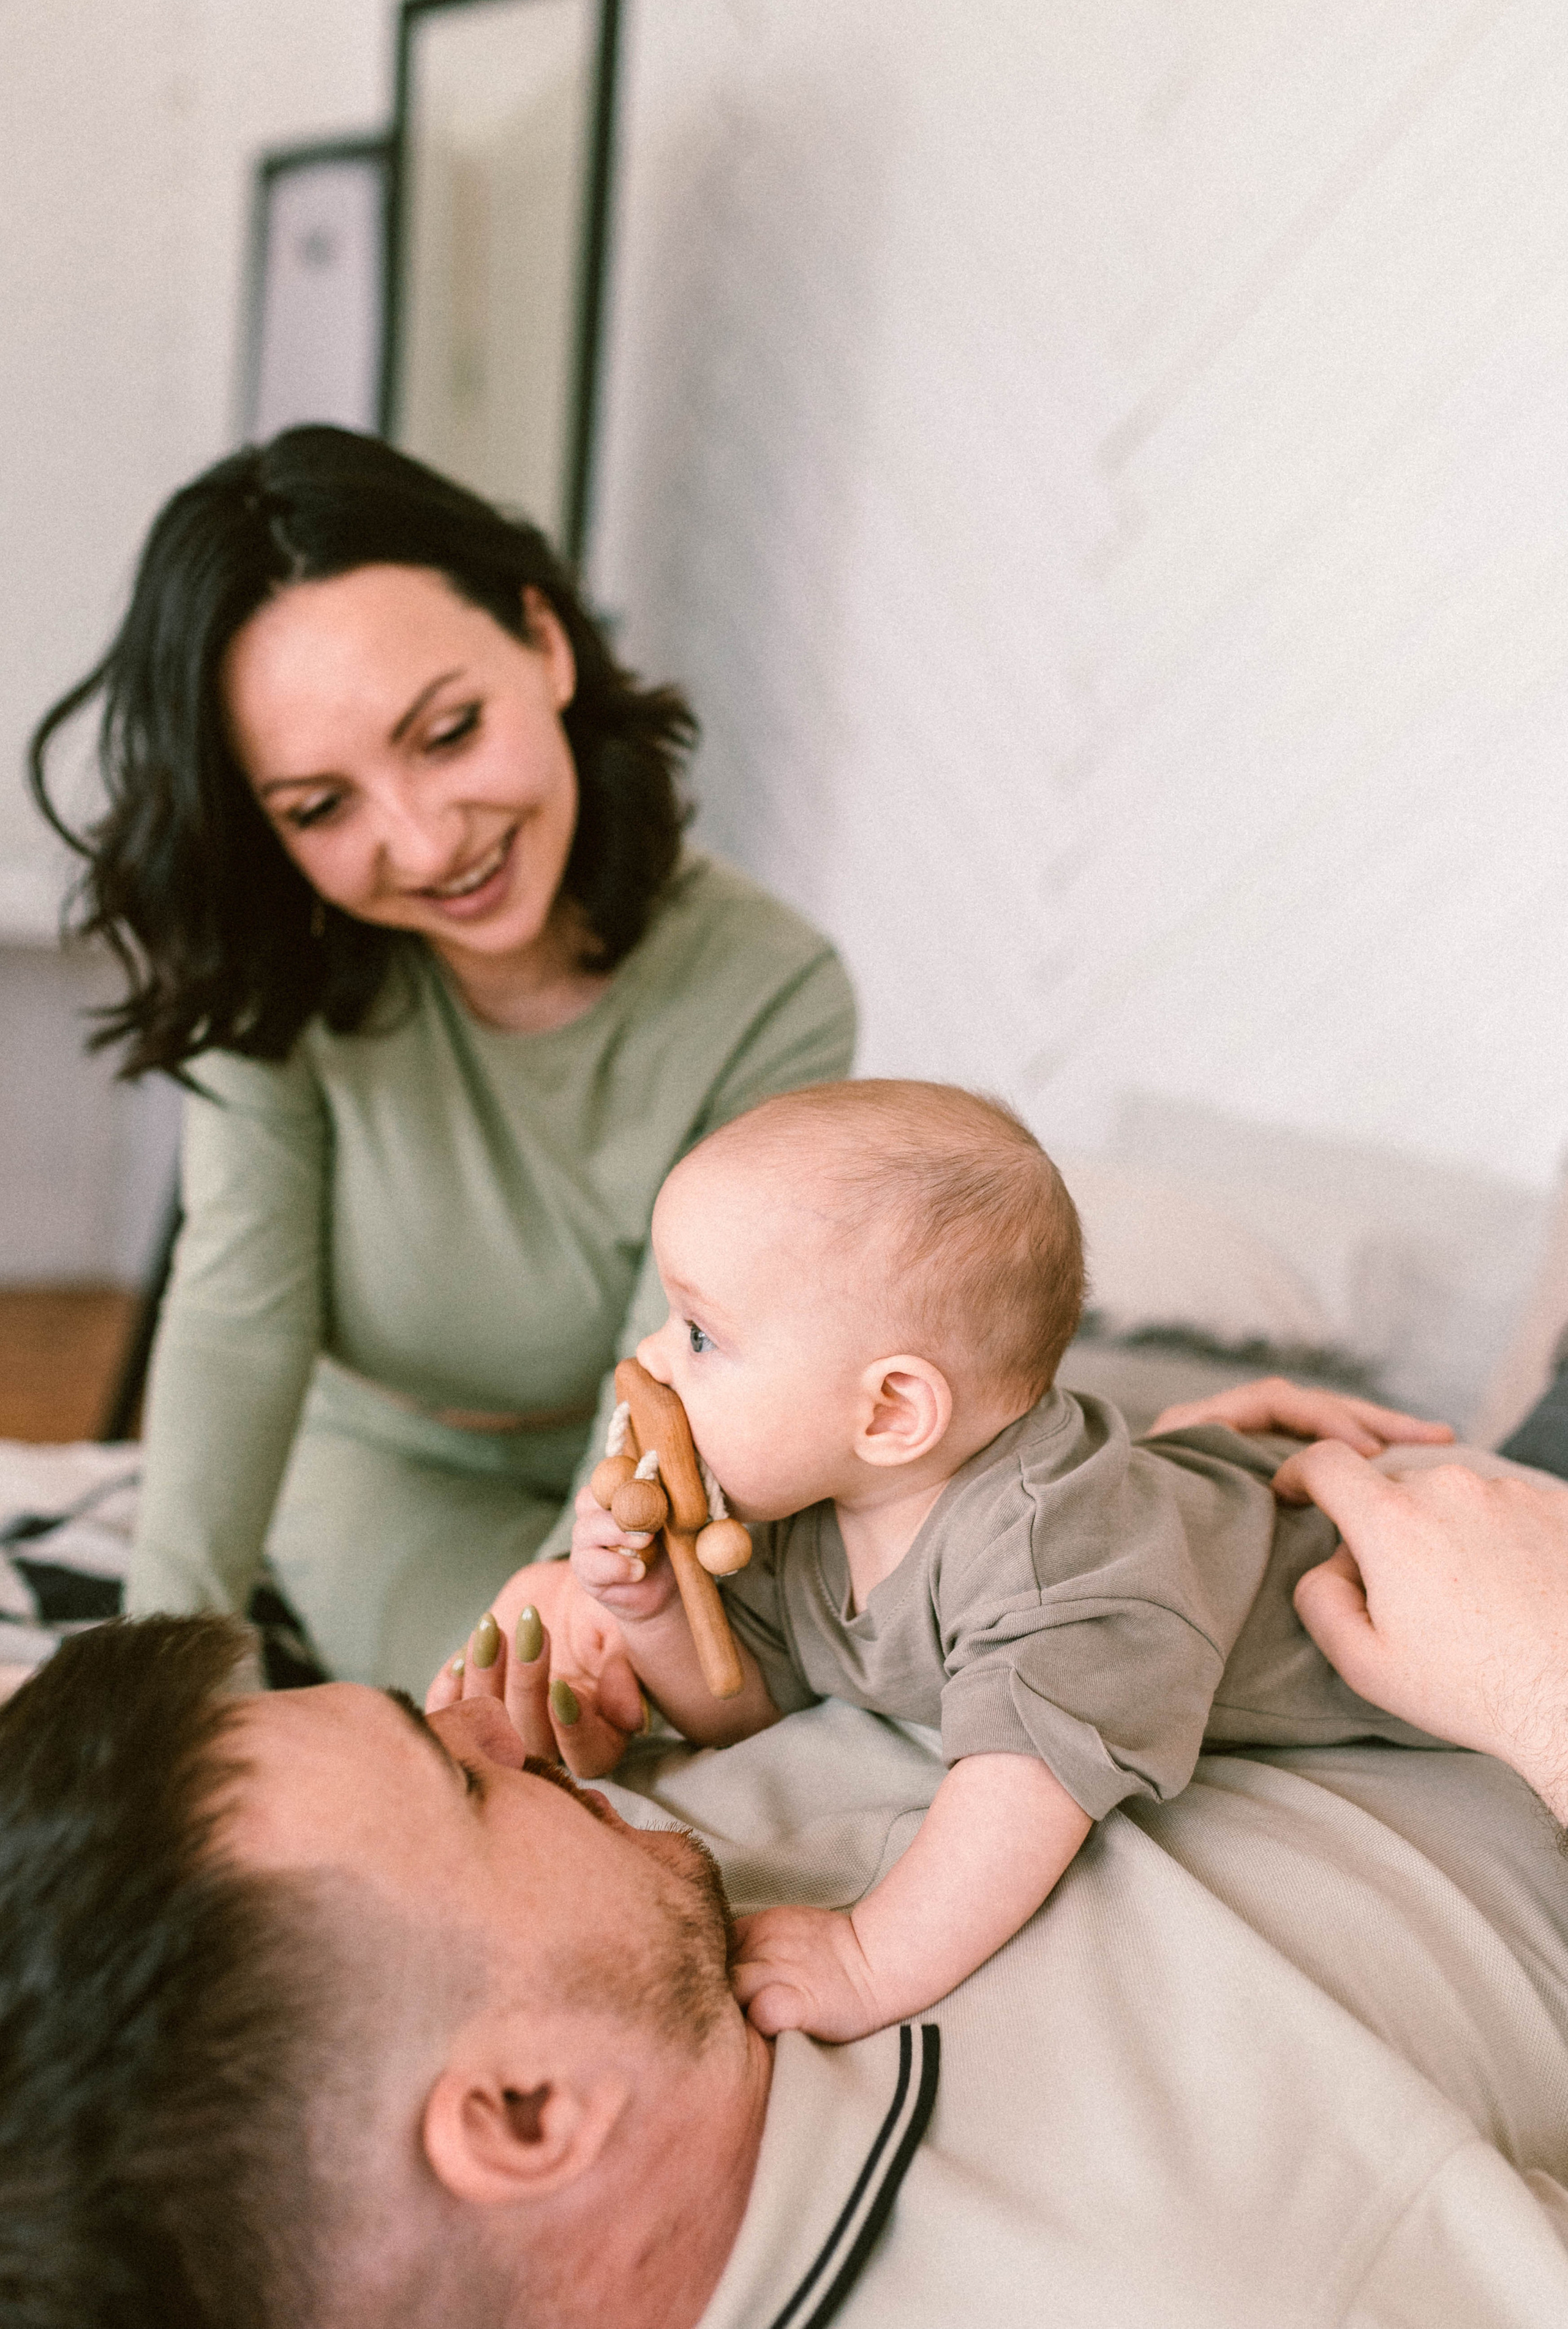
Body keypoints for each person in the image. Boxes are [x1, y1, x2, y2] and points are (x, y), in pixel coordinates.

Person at [6, 1375, 1568, 2329]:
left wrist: (1117, 1534)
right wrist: (1543, 1688)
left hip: (1297, 1554)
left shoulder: (615, 1968)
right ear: (528, 2112)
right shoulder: (1221, 2288)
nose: (484, 1729)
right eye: (460, 1788)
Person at [28, 426, 854, 1693]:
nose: (422, 843)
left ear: (544, 641)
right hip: (386, 1469)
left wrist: (584, 1590)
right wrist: (156, 1683)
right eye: (319, 808)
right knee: (506, 1710)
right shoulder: (276, 973)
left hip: (698, 1461)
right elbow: (236, 1318)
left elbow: (675, 1381)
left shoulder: (770, 987)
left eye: (448, 732)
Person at [566, 1079, 1455, 2040]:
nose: (650, 1362)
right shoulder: (809, 1506)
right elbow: (747, 1704)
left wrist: (871, 1958)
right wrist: (653, 1608)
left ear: (891, 1413)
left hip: (1395, 1576)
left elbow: (1022, 1793)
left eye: (700, 1335)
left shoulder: (1051, 1554)